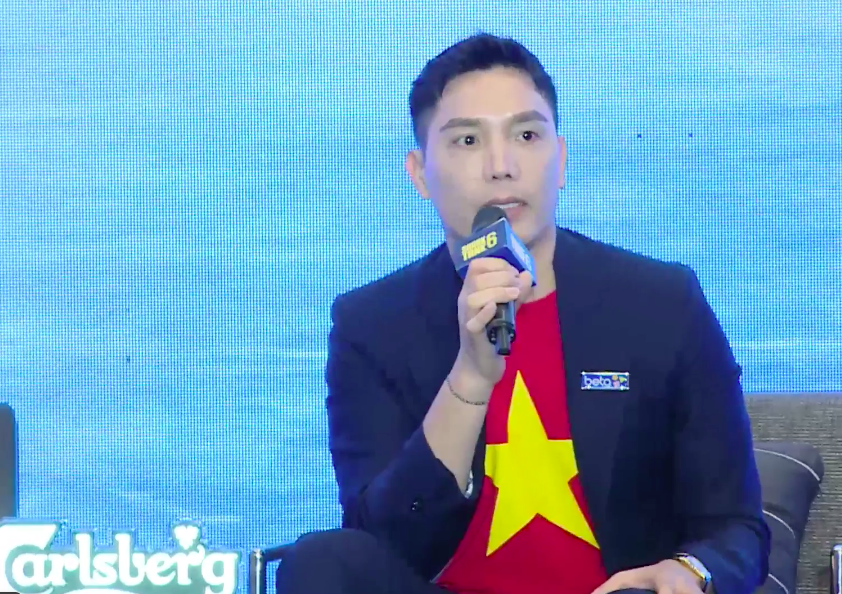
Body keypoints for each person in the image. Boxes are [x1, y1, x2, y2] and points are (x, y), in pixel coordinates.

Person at [277, 32, 770, 594]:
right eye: (467, 140)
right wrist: (470, 377)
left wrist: (688, 571)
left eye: (527, 135)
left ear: (560, 161)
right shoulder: (372, 325)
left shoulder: (660, 303)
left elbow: (737, 528)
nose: (501, 166)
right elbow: (381, 542)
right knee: (320, 561)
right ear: (420, 174)